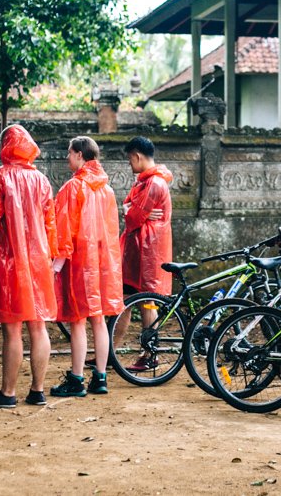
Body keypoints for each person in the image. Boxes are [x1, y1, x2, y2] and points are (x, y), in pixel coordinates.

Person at [0, 125, 57, 409]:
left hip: (12, 260)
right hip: (39, 260)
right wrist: (53, 257)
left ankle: (8, 393)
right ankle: (38, 390)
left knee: (12, 329)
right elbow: (50, 224)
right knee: (38, 326)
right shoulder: (42, 180)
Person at [50, 136, 122, 397]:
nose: (67, 157)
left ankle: (77, 378)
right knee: (99, 319)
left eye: (69, 153)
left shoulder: (73, 187)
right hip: (103, 263)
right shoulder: (107, 190)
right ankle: (100, 377)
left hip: (80, 262)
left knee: (78, 321)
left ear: (79, 155)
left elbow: (63, 231)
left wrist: (55, 267)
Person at [116, 136, 172, 373]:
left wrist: (132, 211)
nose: (130, 164)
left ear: (137, 156)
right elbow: (129, 209)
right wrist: (132, 210)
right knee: (126, 302)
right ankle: (111, 350)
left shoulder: (153, 184)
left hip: (148, 253)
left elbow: (131, 216)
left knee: (147, 304)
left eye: (130, 159)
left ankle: (150, 355)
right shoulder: (147, 182)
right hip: (141, 251)